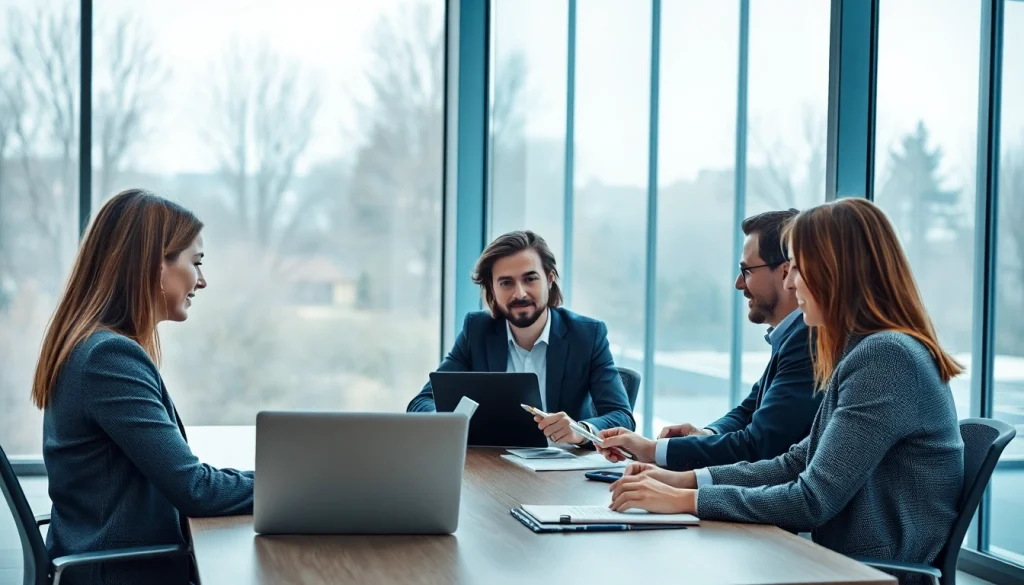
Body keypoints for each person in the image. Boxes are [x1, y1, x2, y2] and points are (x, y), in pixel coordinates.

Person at [605, 198, 964, 574]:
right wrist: (682, 480)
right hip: (839, 563)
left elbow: (812, 499)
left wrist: (685, 499)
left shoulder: (886, 358)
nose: (791, 282)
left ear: (834, 271)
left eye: (797, 268)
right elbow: (796, 462)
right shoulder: (866, 350)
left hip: (866, 573)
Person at [33, 189, 254, 585]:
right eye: (196, 263)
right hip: (123, 575)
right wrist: (294, 488)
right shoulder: (107, 359)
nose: (202, 281)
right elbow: (195, 490)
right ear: (154, 267)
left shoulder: (94, 347)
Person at [595, 210, 820, 470]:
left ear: (784, 273)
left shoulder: (808, 342)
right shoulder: (790, 336)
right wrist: (707, 434)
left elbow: (758, 444)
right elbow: (747, 412)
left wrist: (653, 450)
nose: (738, 284)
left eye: (746, 271)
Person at [407, 230, 634, 443]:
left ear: (550, 278)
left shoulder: (587, 335)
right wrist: (450, 422)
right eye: (506, 283)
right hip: (492, 467)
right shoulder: (476, 331)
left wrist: (580, 431)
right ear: (492, 289)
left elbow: (622, 416)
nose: (520, 293)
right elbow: (421, 403)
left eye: (530, 279)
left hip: (563, 472)